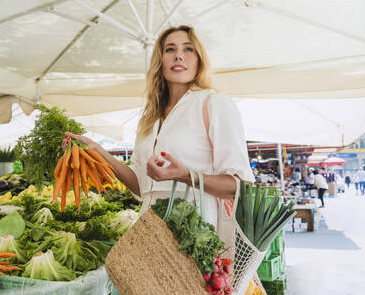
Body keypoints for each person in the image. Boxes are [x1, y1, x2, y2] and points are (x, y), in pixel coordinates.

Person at [66, 25, 254, 249]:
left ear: (199, 60)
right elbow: (141, 186)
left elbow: (238, 186)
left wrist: (185, 176)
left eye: (188, 49)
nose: (179, 56)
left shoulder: (214, 104)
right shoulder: (150, 117)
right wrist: (99, 151)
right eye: (170, 49)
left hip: (196, 236)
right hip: (152, 233)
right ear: (160, 60)